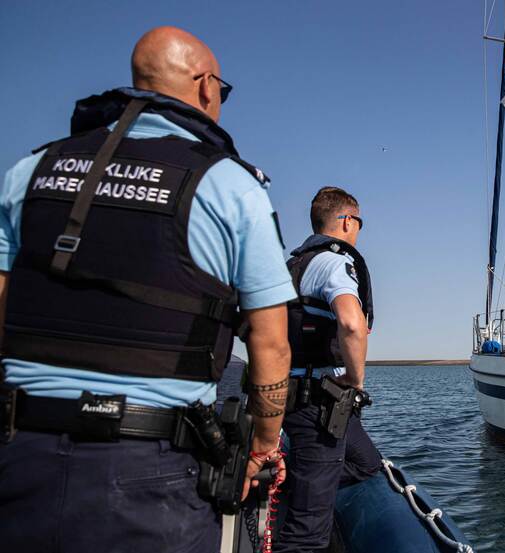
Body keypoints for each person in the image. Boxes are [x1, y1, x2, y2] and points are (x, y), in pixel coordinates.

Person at [0, 27, 295, 552]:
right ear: (206, 86)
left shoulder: (29, 171)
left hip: (20, 452)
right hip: (152, 472)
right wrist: (263, 447)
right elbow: (270, 342)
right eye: (222, 92)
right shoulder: (230, 186)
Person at [278, 186, 382, 552]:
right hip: (316, 401)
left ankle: (297, 480)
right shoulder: (335, 262)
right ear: (347, 220)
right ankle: (305, 486)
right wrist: (355, 380)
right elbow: (351, 323)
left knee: (366, 463)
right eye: (359, 222)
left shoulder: (293, 264)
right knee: (307, 535)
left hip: (289, 391)